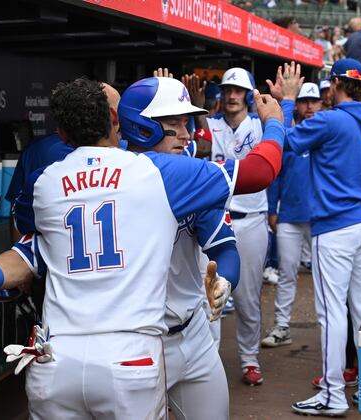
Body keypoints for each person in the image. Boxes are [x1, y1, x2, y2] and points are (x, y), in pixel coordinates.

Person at [0, 77, 286, 419]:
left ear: (62, 132)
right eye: (174, 122)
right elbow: (261, 170)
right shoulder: (159, 173)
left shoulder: (47, 181)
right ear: (118, 120)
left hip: (61, 355)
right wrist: (273, 122)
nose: (185, 132)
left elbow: (33, 251)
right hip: (131, 350)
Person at [277, 59, 361, 417]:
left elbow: (285, 142)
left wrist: (286, 102)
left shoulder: (330, 119)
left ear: (334, 85)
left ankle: (333, 394)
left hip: (337, 226)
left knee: (332, 313)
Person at [120, 76, 240, 420]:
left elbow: (225, 248)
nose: (187, 133)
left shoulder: (189, 176)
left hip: (193, 333)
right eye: (175, 123)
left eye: (186, 122)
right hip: (134, 342)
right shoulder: (109, 179)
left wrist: (224, 281)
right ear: (143, 128)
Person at [198, 66, 270, 386]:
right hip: (215, 219)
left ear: (249, 95)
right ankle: (209, 361)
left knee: (247, 297)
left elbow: (281, 140)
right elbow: (199, 147)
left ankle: (249, 360)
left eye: (238, 90)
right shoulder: (209, 123)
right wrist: (200, 112)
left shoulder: (258, 125)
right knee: (209, 294)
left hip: (252, 219)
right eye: (227, 90)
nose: (231, 95)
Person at [262, 82, 320, 348]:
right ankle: (282, 326)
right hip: (290, 215)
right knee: (286, 273)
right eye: (304, 101)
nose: (309, 106)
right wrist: (272, 209)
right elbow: (274, 177)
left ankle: (329, 330)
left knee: (324, 276)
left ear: (321, 103)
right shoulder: (290, 135)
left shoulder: (327, 133)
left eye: (314, 101)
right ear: (297, 104)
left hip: (321, 217)